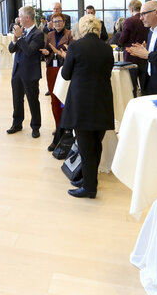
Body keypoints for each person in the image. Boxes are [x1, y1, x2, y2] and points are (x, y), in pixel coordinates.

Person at [60, 14, 114, 199]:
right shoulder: (107, 49)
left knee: (85, 147)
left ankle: (90, 188)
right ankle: (89, 180)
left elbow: (66, 75)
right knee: (96, 145)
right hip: (102, 101)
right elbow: (108, 73)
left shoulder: (75, 47)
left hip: (82, 103)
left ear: (81, 29)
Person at [7, 6, 44, 138]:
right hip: (17, 71)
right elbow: (11, 49)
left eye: (20, 16)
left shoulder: (38, 34)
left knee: (32, 100)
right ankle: (17, 123)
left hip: (30, 72)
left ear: (27, 18)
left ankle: (35, 126)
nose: (18, 19)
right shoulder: (21, 32)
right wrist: (15, 38)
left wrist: (20, 37)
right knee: (17, 99)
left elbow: (29, 51)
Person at [39, 13, 72, 151]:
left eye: (59, 21)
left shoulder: (70, 35)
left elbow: (72, 52)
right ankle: (58, 125)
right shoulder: (51, 35)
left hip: (65, 68)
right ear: (51, 23)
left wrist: (61, 52)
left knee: (64, 99)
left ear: (64, 22)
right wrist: (46, 52)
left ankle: (65, 128)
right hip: (51, 68)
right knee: (54, 98)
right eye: (55, 21)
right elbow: (46, 49)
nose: (57, 23)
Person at [118, 0, 149, 97]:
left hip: (131, 56)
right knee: (145, 85)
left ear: (131, 10)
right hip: (145, 55)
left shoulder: (129, 21)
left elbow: (122, 39)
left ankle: (134, 102)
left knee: (132, 85)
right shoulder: (147, 20)